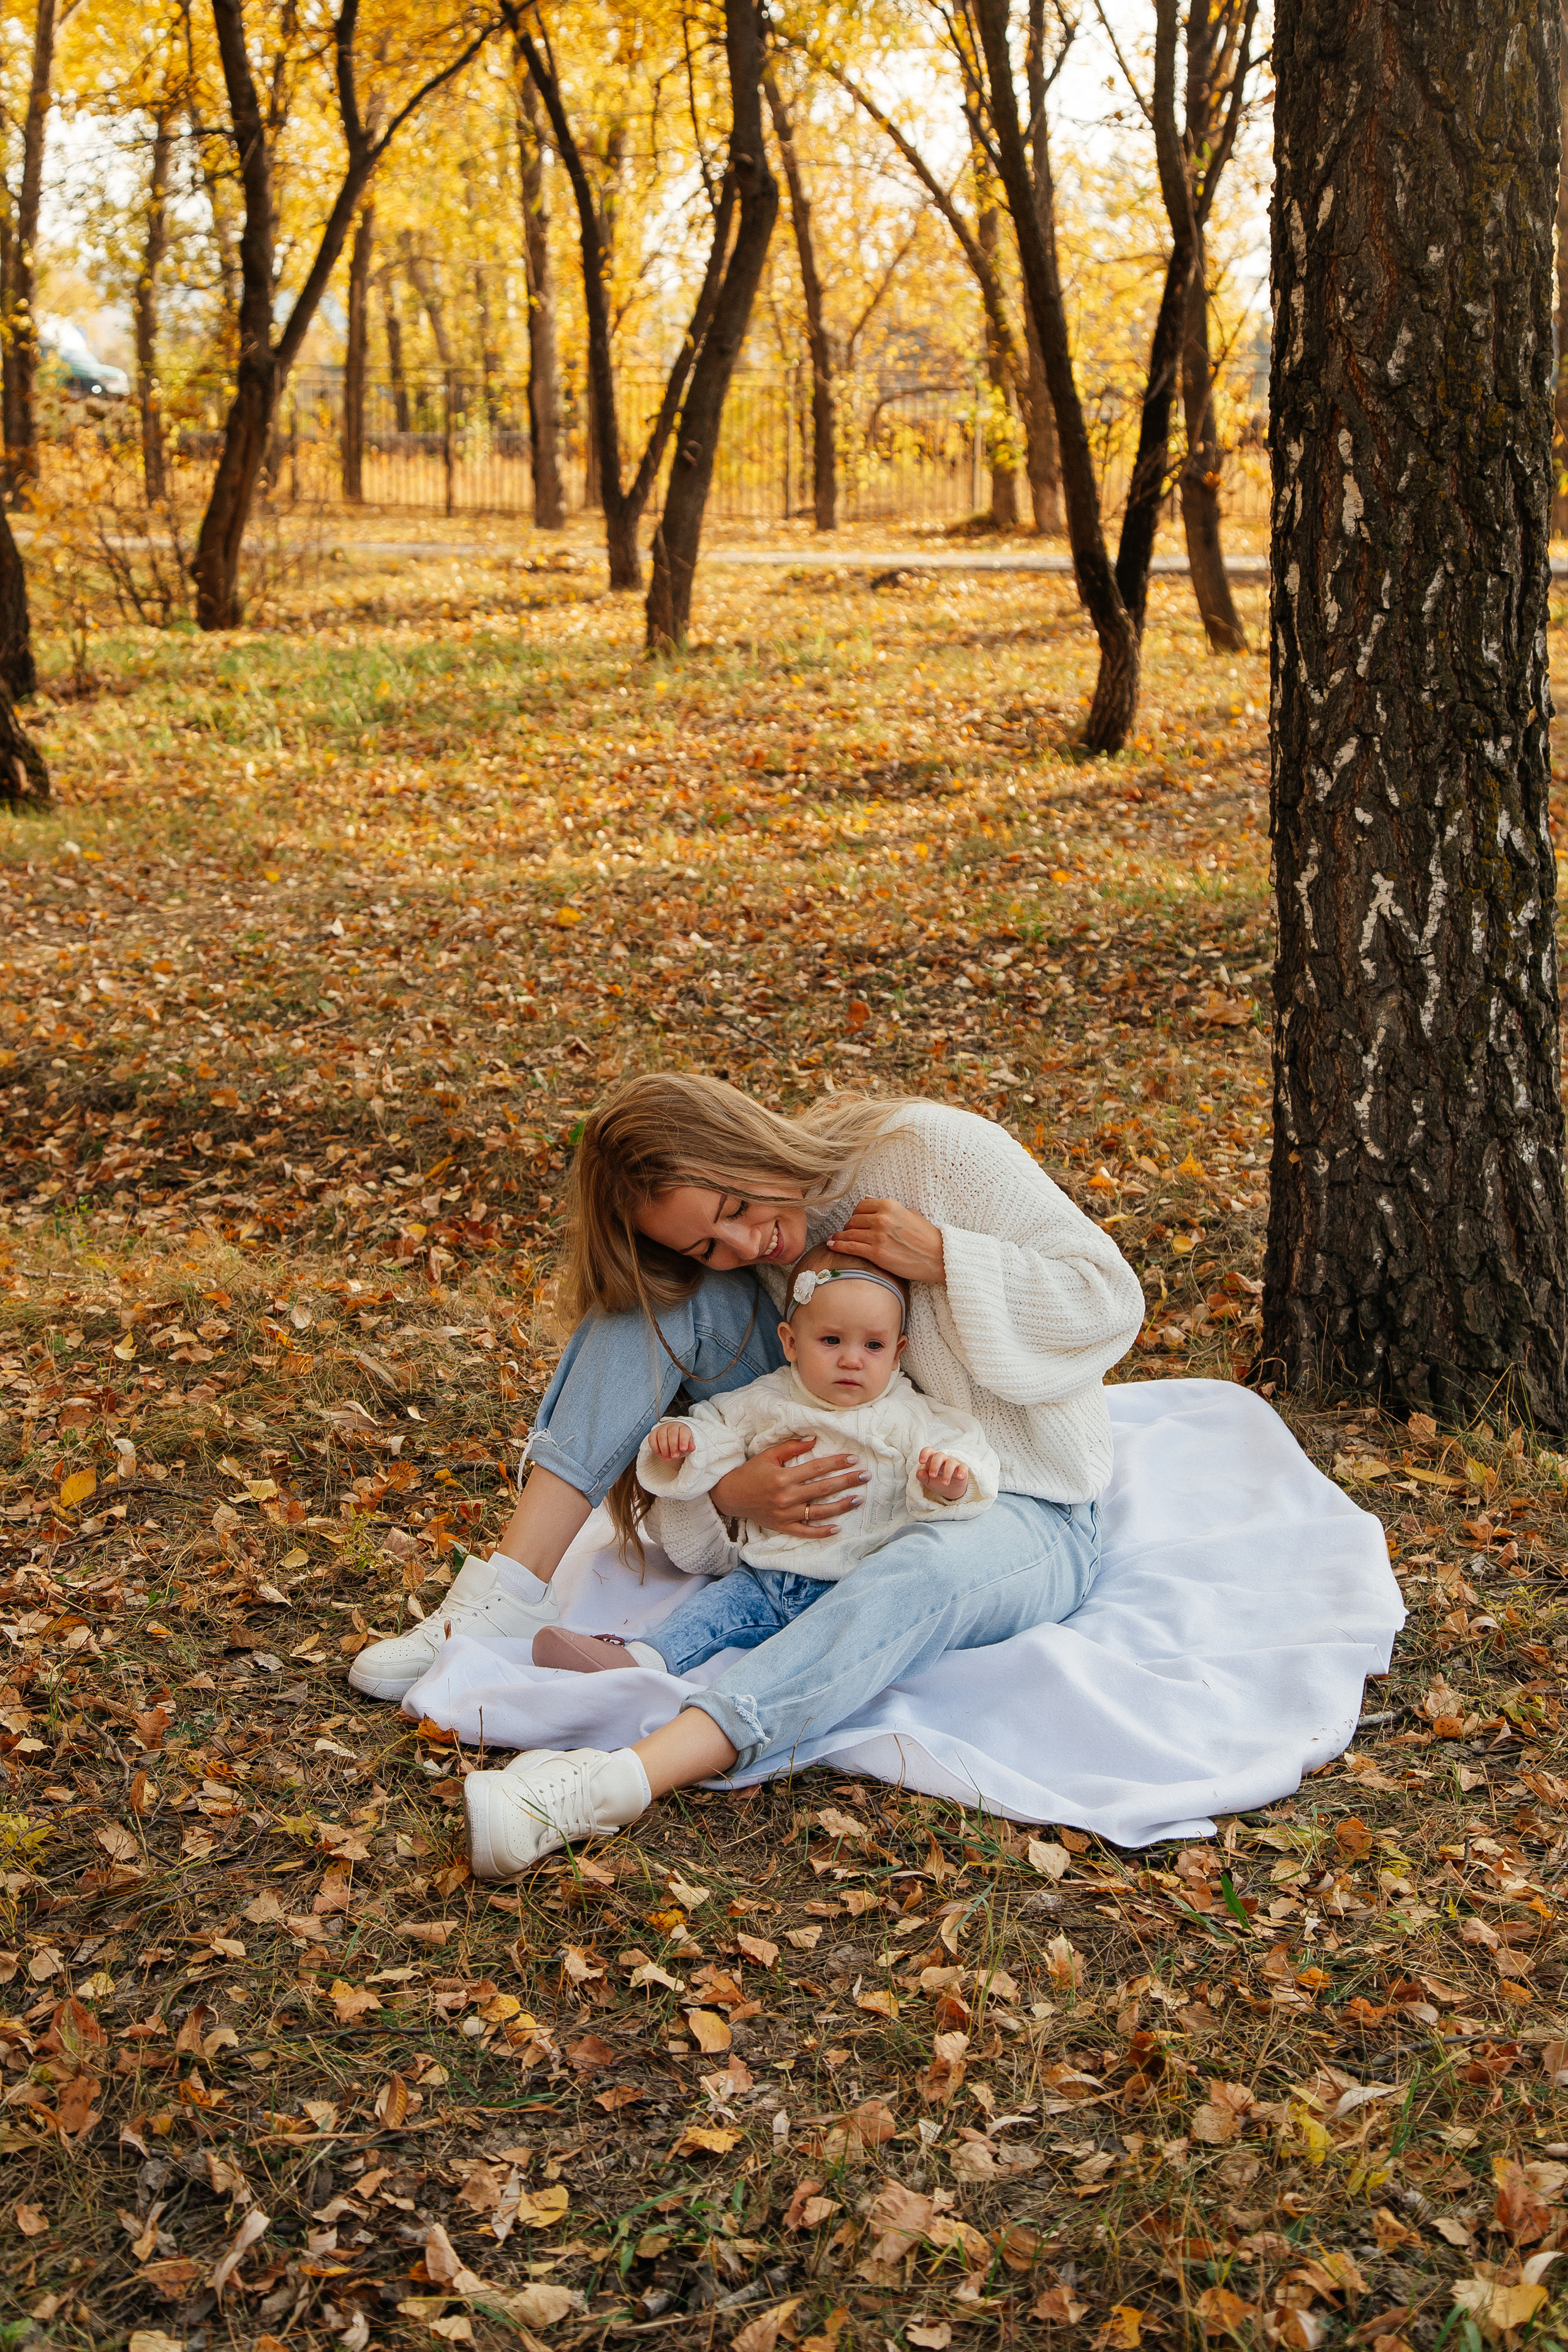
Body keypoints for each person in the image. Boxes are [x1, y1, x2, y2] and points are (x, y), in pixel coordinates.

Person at [348, 1074, 1146, 1880]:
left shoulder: (926, 1150)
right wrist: (726, 1494)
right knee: (646, 1304)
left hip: (1011, 1496)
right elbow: (694, 1479)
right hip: (835, 1473)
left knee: (923, 1569)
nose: (744, 1251)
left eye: (734, 1212)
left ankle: (610, 1783)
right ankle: (504, 1596)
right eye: (708, 1247)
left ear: (747, 1144)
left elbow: (1112, 1300)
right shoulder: (759, 1273)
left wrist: (945, 1257)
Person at [530, 1244, 1000, 1679]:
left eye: (873, 1346)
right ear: (791, 1342)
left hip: (864, 1584)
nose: (852, 1361)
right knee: (710, 1615)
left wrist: (949, 1479)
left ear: (898, 1352)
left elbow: (965, 1448)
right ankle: (638, 1660)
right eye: (832, 1340)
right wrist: (685, 1440)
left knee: (844, 1652)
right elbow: (717, 1423)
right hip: (770, 1577)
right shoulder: (771, 1398)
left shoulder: (910, 1414)